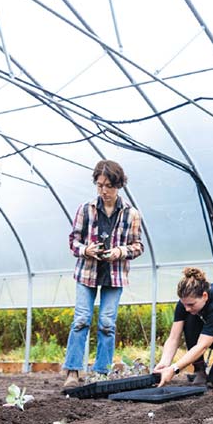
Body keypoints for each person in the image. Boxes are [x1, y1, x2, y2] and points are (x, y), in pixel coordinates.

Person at [62, 160, 145, 390]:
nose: (104, 191)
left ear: (118, 185)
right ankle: (73, 371)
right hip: (87, 273)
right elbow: (73, 241)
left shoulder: (131, 214)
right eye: (99, 185)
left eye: (108, 186)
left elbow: (138, 246)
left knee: (107, 323)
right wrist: (85, 250)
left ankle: (101, 373)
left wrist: (120, 251)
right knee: (81, 320)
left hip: (114, 274)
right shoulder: (86, 209)